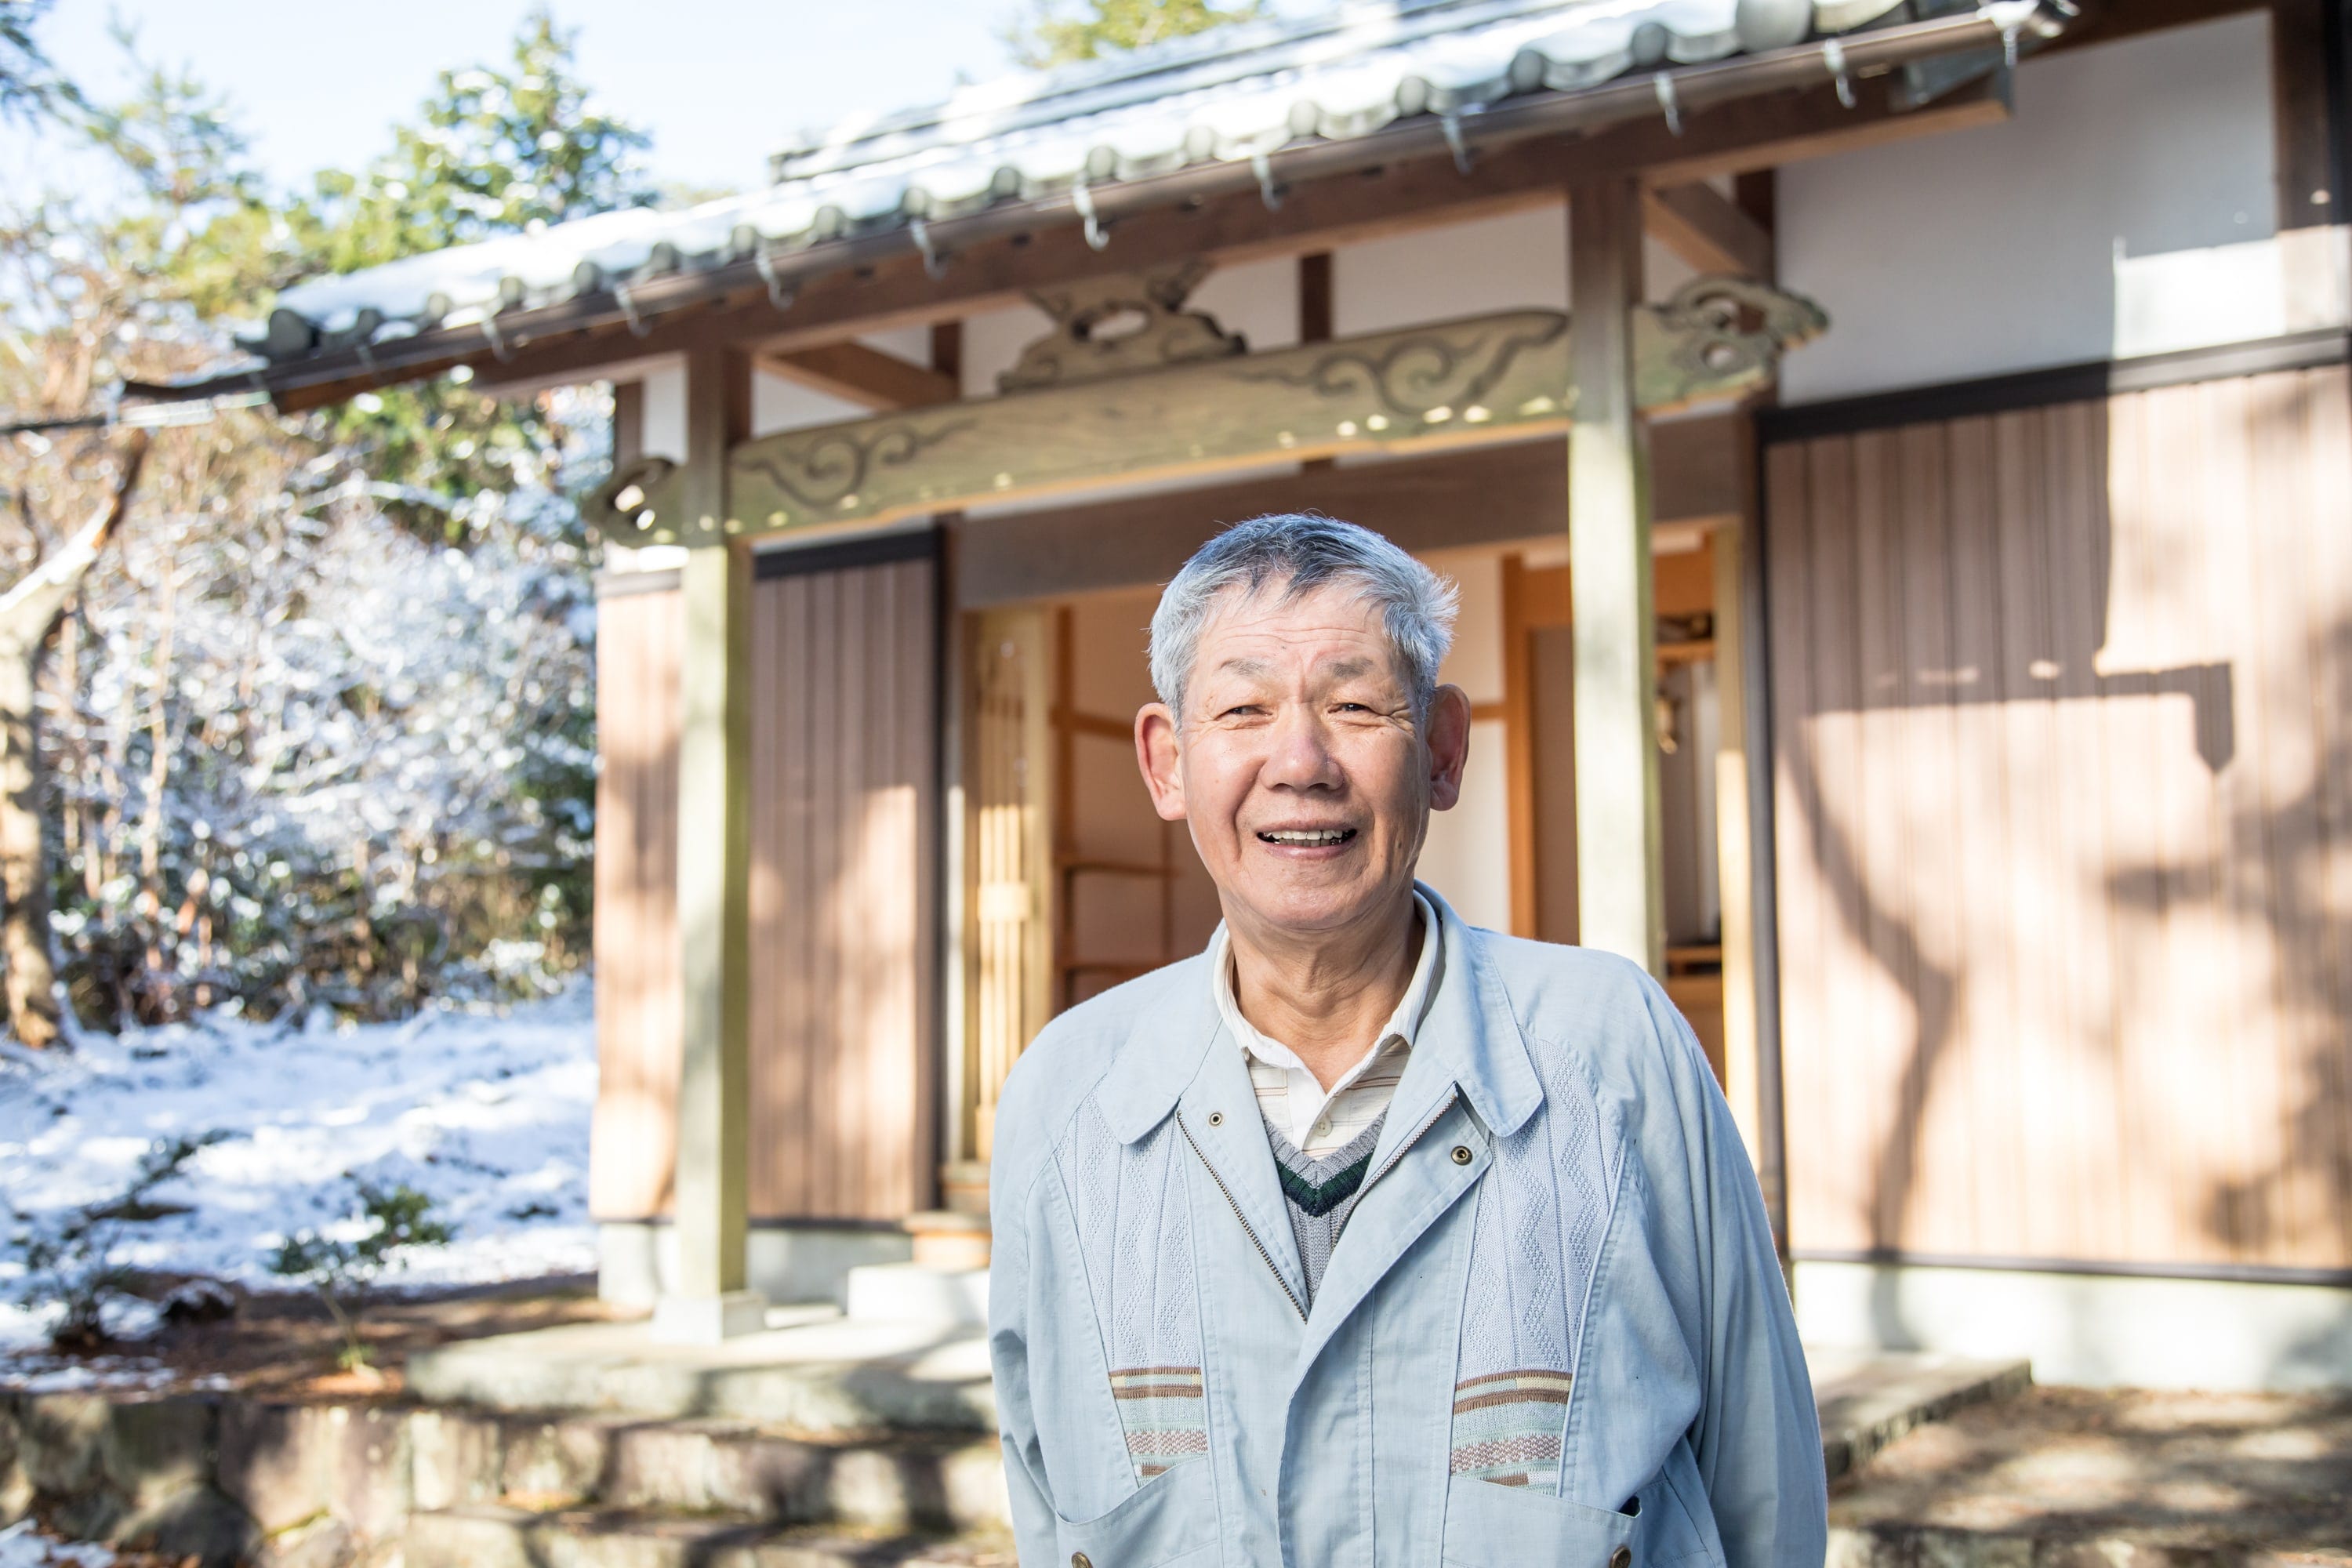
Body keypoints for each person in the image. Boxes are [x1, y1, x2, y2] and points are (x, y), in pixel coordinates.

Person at [987, 513, 1825, 1568]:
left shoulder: (1612, 1053)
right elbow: (1041, 1482)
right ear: (1166, 762)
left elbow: (1763, 1482)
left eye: (1354, 706)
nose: (1301, 762)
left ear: (1440, 749)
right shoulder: (1068, 1098)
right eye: (1243, 708)